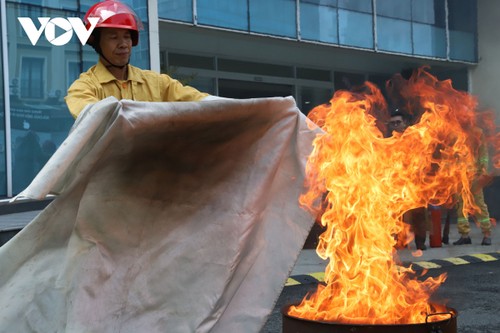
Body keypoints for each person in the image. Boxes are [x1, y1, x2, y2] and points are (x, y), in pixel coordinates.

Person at [65, 0, 212, 119]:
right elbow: (91, 114)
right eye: (113, 37)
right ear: (96, 42)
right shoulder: (84, 87)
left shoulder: (156, 83)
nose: (123, 44)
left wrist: (230, 107)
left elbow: (200, 101)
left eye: (127, 37)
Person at [387, 107, 428, 251]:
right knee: (398, 215)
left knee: (418, 215)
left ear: (405, 123)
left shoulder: (414, 139)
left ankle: (420, 242)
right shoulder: (389, 142)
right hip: (397, 184)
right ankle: (400, 241)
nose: (395, 126)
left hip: (415, 183)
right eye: (393, 123)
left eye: (398, 122)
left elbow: (422, 160)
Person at [453, 127, 493, 246]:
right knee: (461, 206)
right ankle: (464, 235)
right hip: (459, 177)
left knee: (479, 205)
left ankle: (486, 234)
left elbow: (483, 154)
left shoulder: (477, 133)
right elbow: (450, 155)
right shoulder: (453, 132)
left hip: (474, 176)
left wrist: (482, 171)